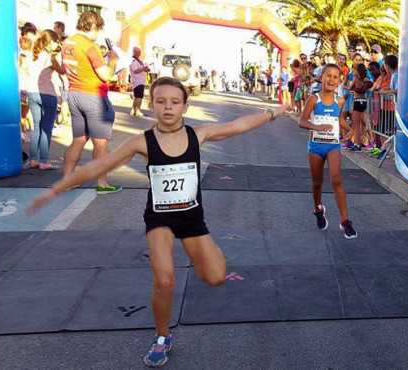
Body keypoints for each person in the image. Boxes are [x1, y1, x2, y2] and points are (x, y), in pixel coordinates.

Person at [27, 76, 291, 368]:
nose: (168, 107)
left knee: (215, 277)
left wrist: (272, 112)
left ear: (184, 106)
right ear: (151, 105)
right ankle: (162, 337)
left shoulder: (198, 134)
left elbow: (237, 125)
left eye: (175, 102)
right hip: (159, 219)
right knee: (165, 280)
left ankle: (210, 250)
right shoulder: (142, 142)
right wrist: (56, 188)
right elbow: (101, 165)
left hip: (192, 219)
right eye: (161, 101)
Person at [61, 11, 121, 195]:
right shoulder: (89, 46)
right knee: (100, 143)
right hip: (93, 96)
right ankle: (102, 182)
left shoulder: (67, 42)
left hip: (74, 93)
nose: (98, 34)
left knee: (78, 140)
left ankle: (67, 180)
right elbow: (106, 75)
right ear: (93, 26)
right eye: (98, 29)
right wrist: (112, 61)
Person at [298, 64, 357, 239]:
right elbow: (301, 121)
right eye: (328, 76)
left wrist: (350, 130)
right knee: (317, 183)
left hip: (332, 145)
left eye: (335, 77)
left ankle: (345, 220)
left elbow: (338, 119)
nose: (331, 79)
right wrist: (316, 126)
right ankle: (318, 209)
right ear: (321, 78)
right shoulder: (313, 99)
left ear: (339, 81)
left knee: (336, 178)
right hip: (315, 147)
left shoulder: (340, 100)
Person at [25, 29, 66, 170]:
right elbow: (62, 71)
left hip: (32, 93)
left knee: (36, 127)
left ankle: (33, 160)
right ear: (49, 42)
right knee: (46, 129)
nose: (58, 44)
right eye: (56, 42)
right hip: (47, 94)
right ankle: (43, 161)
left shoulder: (32, 55)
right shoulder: (50, 58)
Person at [344, 63, 373, 151]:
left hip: (357, 101)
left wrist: (344, 84)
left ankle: (357, 144)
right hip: (364, 101)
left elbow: (349, 88)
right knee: (361, 122)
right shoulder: (366, 80)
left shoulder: (356, 80)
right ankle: (365, 141)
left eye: (355, 69)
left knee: (356, 125)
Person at [130, 46, 150, 117]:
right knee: (139, 97)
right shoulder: (133, 61)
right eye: (137, 52)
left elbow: (145, 69)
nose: (139, 53)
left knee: (137, 96)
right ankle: (138, 111)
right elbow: (135, 71)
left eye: (139, 52)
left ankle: (133, 110)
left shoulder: (140, 61)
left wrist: (146, 69)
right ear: (134, 52)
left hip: (141, 81)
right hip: (137, 81)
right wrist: (143, 68)